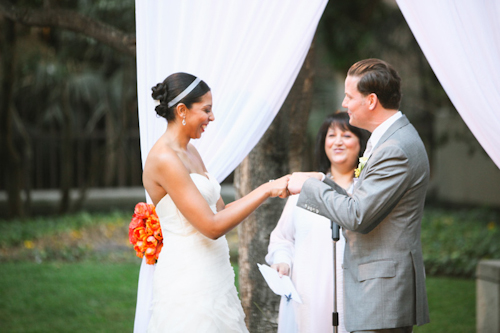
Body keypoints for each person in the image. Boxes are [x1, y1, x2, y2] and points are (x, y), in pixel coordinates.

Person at [288, 58, 430, 333]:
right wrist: (320, 180)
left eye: (350, 96)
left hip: (382, 292)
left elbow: (357, 215)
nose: (344, 103)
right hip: (379, 290)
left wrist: (309, 186)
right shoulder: (391, 138)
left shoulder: (395, 149)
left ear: (371, 101)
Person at [142, 72, 289, 332]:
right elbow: (211, 227)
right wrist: (266, 189)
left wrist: (270, 189)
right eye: (206, 110)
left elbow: (220, 212)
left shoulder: (191, 151)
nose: (212, 118)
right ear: (182, 110)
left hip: (215, 274)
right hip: (188, 282)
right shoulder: (164, 159)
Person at [266, 112, 368, 333]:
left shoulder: (367, 191)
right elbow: (282, 238)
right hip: (308, 289)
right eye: (331, 135)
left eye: (347, 135)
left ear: (361, 144)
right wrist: (283, 261)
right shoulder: (304, 188)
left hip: (351, 289)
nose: (338, 141)